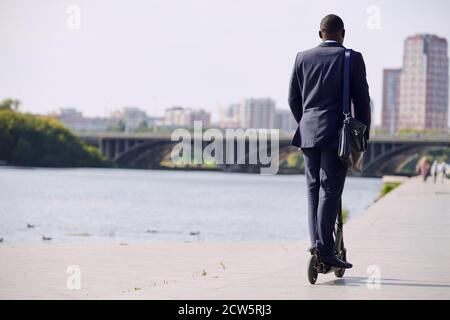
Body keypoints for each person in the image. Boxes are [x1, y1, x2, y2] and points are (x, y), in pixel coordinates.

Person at [288, 14, 371, 269]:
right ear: (342, 34)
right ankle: (325, 250)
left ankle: (316, 243)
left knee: (313, 190)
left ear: (320, 33)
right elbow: (362, 100)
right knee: (331, 190)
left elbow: (293, 99)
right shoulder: (352, 58)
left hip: (308, 132)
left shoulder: (302, 57)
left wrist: (306, 123)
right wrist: (362, 134)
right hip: (338, 135)